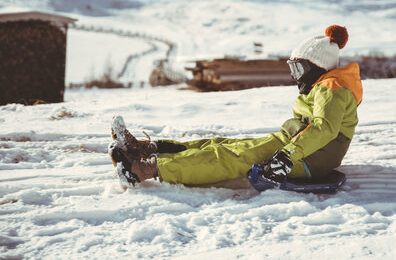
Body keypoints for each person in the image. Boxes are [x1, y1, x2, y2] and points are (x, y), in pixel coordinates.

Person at [108, 25, 363, 188]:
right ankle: (146, 150)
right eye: (291, 68)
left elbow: (323, 129)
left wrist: (287, 156)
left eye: (298, 68)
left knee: (231, 157)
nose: (294, 75)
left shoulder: (332, 89)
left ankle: (141, 170)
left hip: (308, 158)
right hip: (297, 146)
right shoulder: (325, 86)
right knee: (221, 144)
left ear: (317, 66)